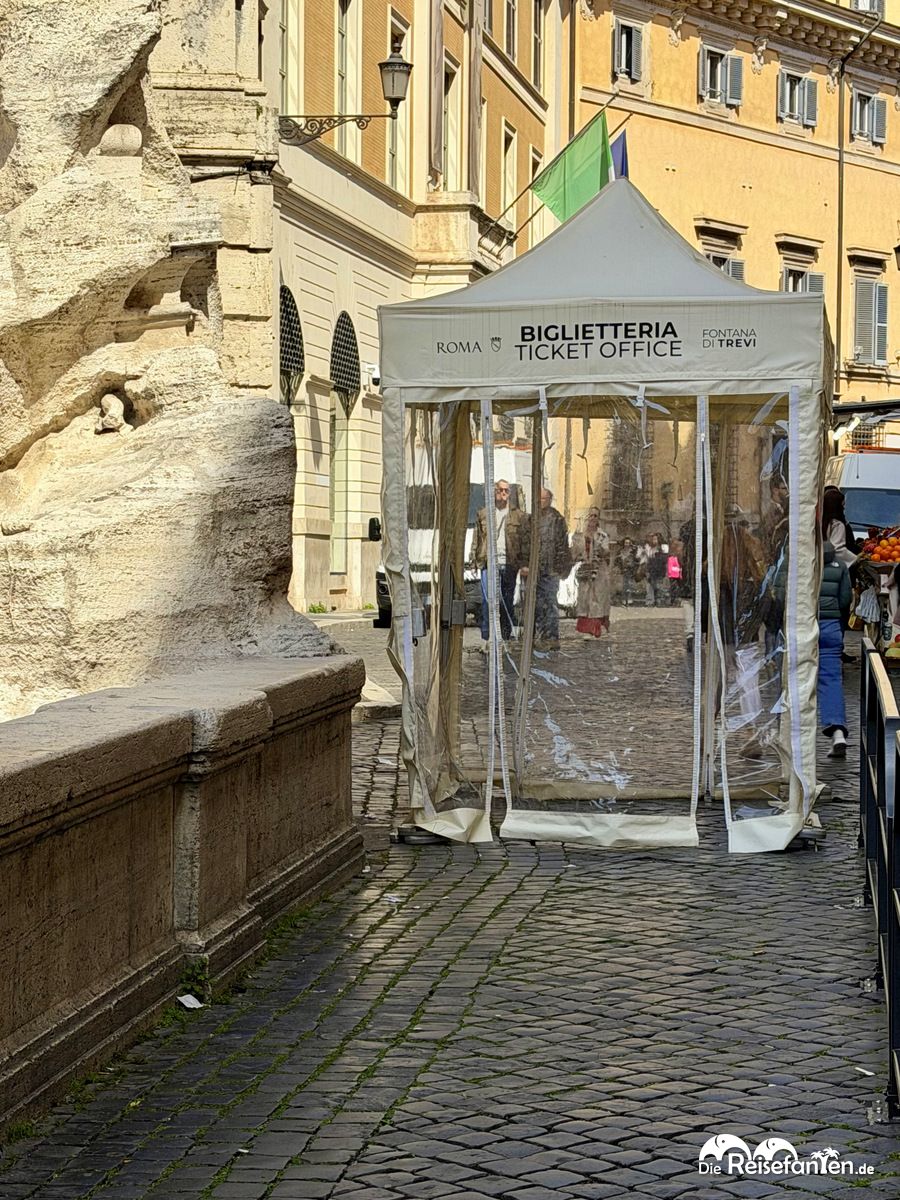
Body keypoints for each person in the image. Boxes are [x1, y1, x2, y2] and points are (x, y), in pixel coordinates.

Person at [472, 478, 529, 647]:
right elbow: (477, 539)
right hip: (489, 563)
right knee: (488, 601)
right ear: (494, 492)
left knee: (506, 601)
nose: (503, 493)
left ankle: (504, 636)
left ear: (510, 493)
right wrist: (474, 560)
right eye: (500, 490)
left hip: (509, 563)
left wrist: (524, 563)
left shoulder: (519, 516)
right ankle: (488, 638)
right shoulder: (484, 514)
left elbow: (525, 542)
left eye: (506, 490)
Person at [818, 540, 852, 757]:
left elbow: (779, 593)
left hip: (803, 624)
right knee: (831, 680)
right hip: (830, 626)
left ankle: (790, 737)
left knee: (794, 680)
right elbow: (846, 598)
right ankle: (838, 732)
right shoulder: (840, 566)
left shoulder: (794, 562)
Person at [530, 488, 571, 649]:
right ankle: (536, 637)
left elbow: (562, 545)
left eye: (542, 499)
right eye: (538, 499)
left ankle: (552, 638)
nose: (539, 502)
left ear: (549, 500)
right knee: (536, 605)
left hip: (551, 569)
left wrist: (561, 567)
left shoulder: (557, 519)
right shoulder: (532, 518)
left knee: (550, 603)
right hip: (535, 569)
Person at [571, 507, 611, 639]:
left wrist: (597, 546)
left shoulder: (602, 535)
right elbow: (575, 553)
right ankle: (586, 629)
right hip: (585, 570)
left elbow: (606, 551)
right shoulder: (579, 535)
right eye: (591, 516)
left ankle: (594, 629)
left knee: (596, 599)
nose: (593, 518)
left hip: (599, 572)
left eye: (595, 516)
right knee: (584, 599)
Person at [822, 486, 858, 568]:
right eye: (842, 505)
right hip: (834, 566)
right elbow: (837, 549)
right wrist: (855, 559)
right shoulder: (837, 525)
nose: (844, 508)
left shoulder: (821, 522)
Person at [616, 537, 640, 606]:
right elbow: (617, 561)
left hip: (630, 570)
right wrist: (620, 567)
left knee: (630, 585)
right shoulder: (620, 551)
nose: (627, 544)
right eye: (626, 543)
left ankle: (629, 599)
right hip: (623, 570)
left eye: (629, 543)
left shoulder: (633, 551)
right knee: (624, 585)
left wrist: (633, 567)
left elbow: (636, 560)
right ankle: (624, 599)